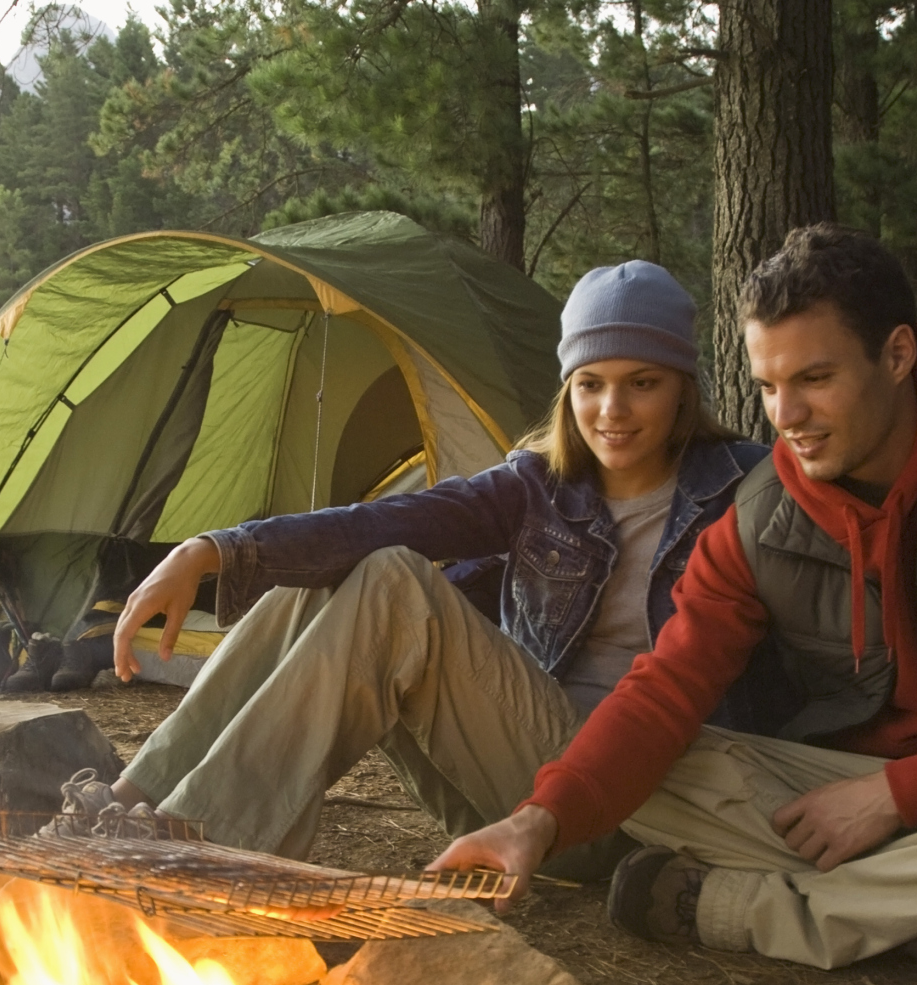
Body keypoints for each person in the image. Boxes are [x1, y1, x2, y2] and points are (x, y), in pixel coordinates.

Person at [434, 225, 917, 985]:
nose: (786, 415)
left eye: (815, 378)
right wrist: (539, 820)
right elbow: (664, 688)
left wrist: (900, 795)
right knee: (654, 770)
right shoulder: (761, 514)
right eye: (766, 386)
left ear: (896, 355)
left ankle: (762, 912)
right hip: (832, 802)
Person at [102, 261, 778, 867]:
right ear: (567, 389)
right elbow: (386, 520)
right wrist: (212, 548)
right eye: (590, 384)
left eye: (642, 383)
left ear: (682, 388)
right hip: (506, 790)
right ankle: (128, 800)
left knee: (391, 580)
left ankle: (195, 846)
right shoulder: (538, 485)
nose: (612, 410)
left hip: (633, 805)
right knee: (352, 564)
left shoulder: (744, 488)